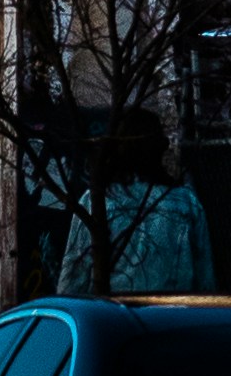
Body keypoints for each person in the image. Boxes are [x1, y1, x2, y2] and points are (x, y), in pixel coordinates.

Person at [53, 107, 213, 295]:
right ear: (159, 148)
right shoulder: (185, 202)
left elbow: (73, 278)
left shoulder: (96, 201)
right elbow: (205, 280)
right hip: (173, 317)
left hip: (110, 316)